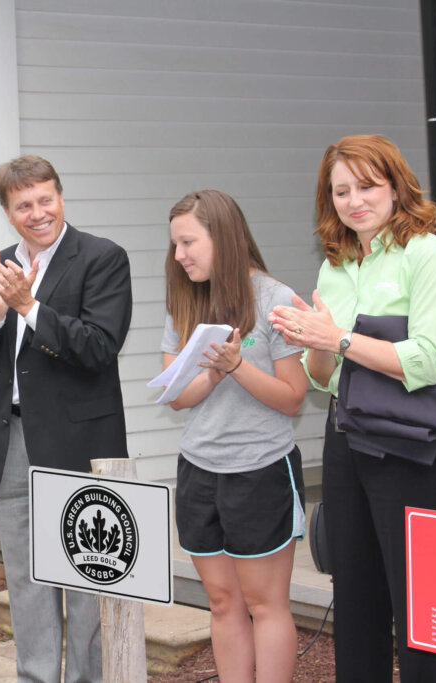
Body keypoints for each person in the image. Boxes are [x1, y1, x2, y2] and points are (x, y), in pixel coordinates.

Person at [269, 134, 436, 683]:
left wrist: (338, 339)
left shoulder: (428, 255)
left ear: (396, 184)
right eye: (340, 191)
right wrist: (311, 340)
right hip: (346, 436)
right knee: (354, 595)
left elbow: (426, 361)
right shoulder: (336, 265)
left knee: (420, 605)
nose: (354, 200)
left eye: (367, 185)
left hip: (413, 445)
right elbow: (321, 377)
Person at [0, 155, 132, 683]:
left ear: (60, 197)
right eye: (23, 205)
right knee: (27, 582)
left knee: (85, 582)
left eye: (45, 199)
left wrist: (29, 307)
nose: (37, 213)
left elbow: (100, 347)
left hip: (79, 442)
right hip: (13, 442)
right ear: (8, 211)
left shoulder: (101, 257)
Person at [162, 189, 307, 683]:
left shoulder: (275, 299)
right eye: (176, 245)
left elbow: (292, 397)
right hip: (199, 472)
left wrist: (238, 365)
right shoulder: (184, 301)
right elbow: (176, 396)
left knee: (266, 604)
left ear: (221, 237)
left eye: (188, 243)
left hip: (261, 471)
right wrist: (214, 374)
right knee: (224, 602)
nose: (179, 256)